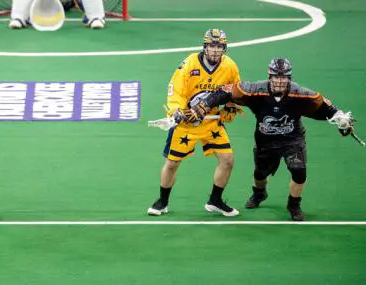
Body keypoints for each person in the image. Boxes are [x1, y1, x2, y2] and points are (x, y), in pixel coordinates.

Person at [189, 57, 355, 221]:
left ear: (289, 78)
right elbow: (225, 91)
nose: (280, 81)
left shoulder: (301, 94)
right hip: (265, 140)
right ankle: (259, 193)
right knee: (260, 173)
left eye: (284, 77)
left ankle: (294, 205)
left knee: (299, 171)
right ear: (270, 76)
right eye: (277, 76)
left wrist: (341, 119)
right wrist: (205, 105)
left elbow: (325, 106)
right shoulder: (254, 89)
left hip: (293, 139)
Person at [147, 28, 242, 217]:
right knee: (172, 163)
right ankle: (162, 201)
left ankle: (215, 201)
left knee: (227, 160)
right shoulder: (189, 63)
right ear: (205, 46)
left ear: (225, 48)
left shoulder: (230, 66)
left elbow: (235, 90)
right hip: (186, 124)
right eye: (212, 46)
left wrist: (230, 108)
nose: (215, 50)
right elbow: (176, 89)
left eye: (219, 46)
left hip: (211, 123)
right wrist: (178, 111)